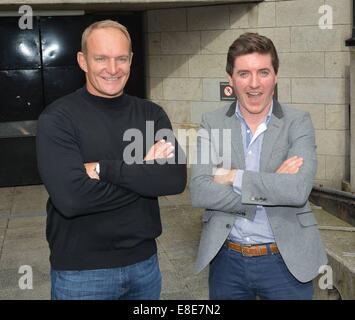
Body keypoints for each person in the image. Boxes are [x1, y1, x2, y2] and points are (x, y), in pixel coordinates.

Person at [36, 20, 186, 300]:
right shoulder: (57, 119)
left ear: (131, 60)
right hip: (81, 274)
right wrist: (143, 173)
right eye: (101, 58)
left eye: (121, 58)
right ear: (83, 61)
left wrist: (101, 169)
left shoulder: (151, 114)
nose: (113, 69)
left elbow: (174, 179)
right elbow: (71, 199)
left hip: (145, 267)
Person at [190, 32, 327, 300]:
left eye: (263, 72)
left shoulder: (297, 122)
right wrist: (271, 185)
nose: (254, 84)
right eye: (244, 74)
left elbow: (298, 190)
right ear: (230, 79)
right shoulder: (212, 122)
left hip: (286, 262)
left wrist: (233, 176)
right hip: (227, 261)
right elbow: (199, 190)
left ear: (275, 75)